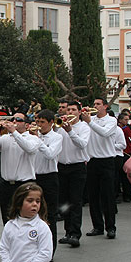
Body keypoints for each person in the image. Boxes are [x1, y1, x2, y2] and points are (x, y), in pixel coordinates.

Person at [82, 98, 118, 239]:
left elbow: (104, 133)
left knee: (107, 196)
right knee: (93, 196)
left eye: (98, 104)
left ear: (105, 106)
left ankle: (110, 227)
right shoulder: (90, 120)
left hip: (107, 161)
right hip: (92, 161)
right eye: (94, 104)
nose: (95, 106)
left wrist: (89, 122)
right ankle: (97, 226)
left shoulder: (111, 121)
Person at [0, 113, 40, 224]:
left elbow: (29, 148)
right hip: (6, 185)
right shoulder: (5, 138)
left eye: (19, 119)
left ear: (26, 124)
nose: (15, 121)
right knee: (8, 219)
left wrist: (14, 132)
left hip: (25, 184)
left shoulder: (33, 138)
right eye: (13, 119)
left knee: (25, 218)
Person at [56, 101, 90, 248]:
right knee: (64, 201)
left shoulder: (84, 127)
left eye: (73, 110)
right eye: (68, 109)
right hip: (62, 167)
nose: (70, 112)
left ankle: (75, 234)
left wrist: (70, 131)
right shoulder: (60, 127)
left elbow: (82, 144)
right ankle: (68, 232)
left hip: (77, 167)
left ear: (79, 111)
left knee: (75, 201)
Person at [33, 109, 62, 254]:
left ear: (51, 123)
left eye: (42, 122)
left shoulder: (57, 137)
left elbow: (50, 154)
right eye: (37, 122)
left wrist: (37, 139)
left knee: (49, 215)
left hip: (49, 177)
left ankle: (50, 250)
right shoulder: (34, 136)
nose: (39, 125)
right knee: (34, 214)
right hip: (34, 178)